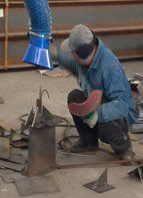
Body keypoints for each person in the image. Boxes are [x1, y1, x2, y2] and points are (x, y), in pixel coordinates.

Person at [57, 24, 137, 160]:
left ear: (81, 53)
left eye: (72, 52)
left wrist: (96, 113)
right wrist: (52, 53)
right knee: (75, 97)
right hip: (97, 103)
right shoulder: (84, 59)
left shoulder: (109, 67)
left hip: (118, 114)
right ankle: (89, 142)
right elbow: (68, 62)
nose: (71, 55)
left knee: (105, 121)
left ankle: (124, 147)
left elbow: (122, 105)